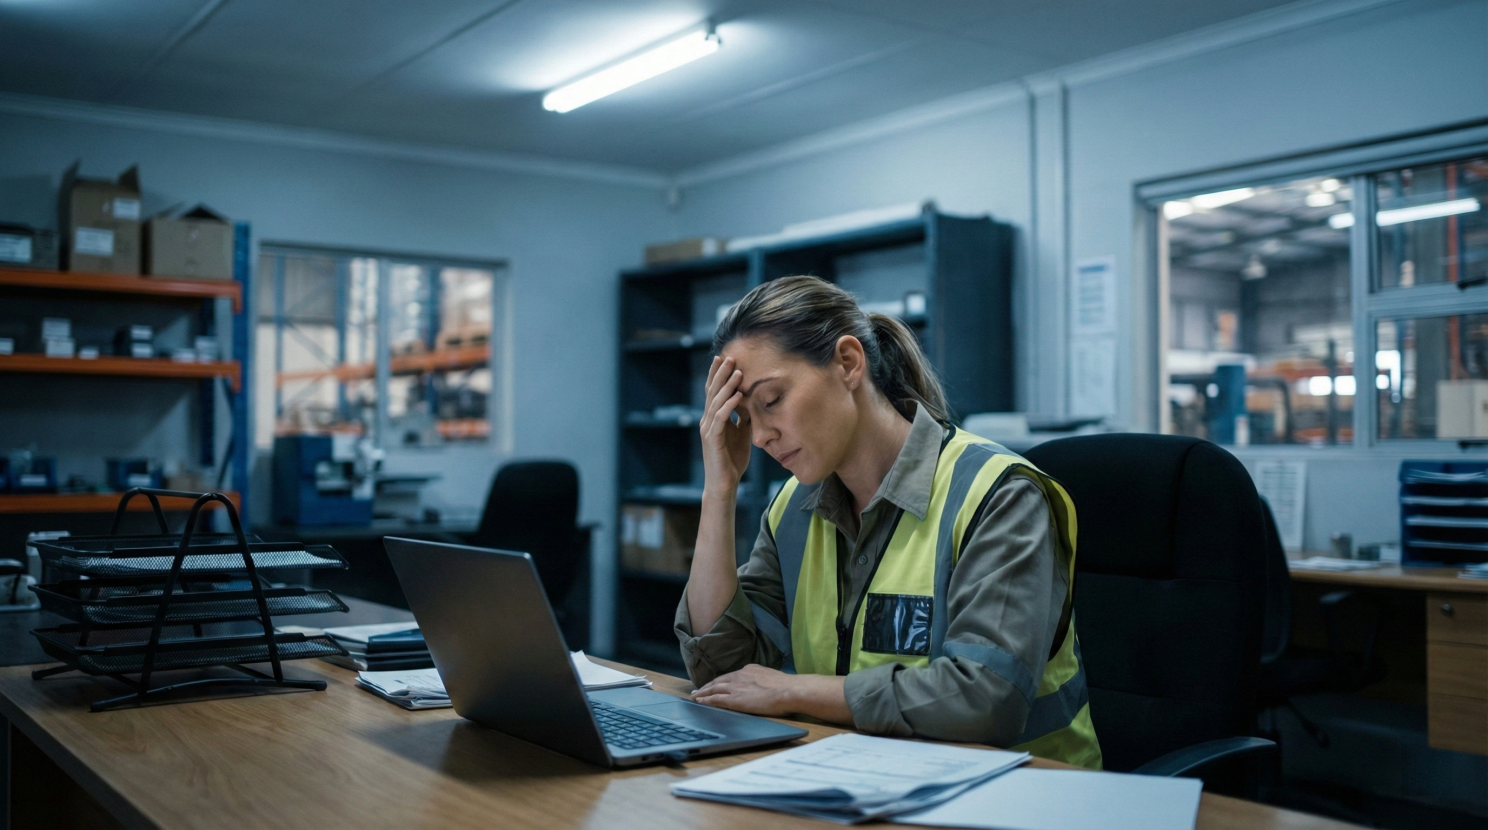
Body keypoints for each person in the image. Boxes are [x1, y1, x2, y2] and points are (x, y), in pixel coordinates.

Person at [674, 276, 1102, 769]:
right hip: (861, 779)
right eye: (744, 416)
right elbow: (722, 674)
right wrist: (719, 491)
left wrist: (795, 690)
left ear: (848, 363)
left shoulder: (998, 495)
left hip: (1029, 799)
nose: (763, 435)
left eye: (771, 401)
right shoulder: (792, 506)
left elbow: (986, 700)